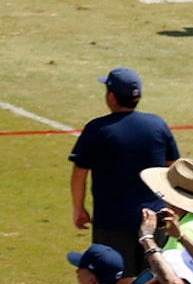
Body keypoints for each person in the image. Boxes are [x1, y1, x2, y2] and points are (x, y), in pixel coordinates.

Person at [72, 69, 179, 250]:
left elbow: (79, 174)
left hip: (112, 222)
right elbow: (173, 170)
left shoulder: (97, 129)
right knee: (154, 274)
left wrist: (79, 209)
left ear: (112, 97)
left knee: (119, 276)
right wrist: (174, 208)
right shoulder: (158, 125)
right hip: (154, 219)